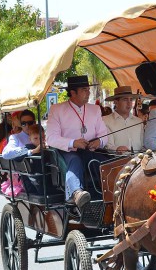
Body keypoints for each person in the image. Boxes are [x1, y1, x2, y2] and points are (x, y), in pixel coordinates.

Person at [46, 75, 109, 210]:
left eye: (88, 89)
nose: (88, 93)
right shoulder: (57, 109)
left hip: (90, 151)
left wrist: (99, 141)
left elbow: (104, 135)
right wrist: (73, 143)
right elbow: (51, 138)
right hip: (67, 152)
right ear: (73, 92)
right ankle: (76, 193)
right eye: (84, 90)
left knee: (106, 161)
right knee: (75, 160)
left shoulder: (95, 109)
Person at [103, 86, 144, 152]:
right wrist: (117, 149)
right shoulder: (106, 121)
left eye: (131, 100)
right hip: (117, 161)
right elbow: (107, 146)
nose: (129, 103)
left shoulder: (138, 121)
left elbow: (142, 145)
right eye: (125, 99)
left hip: (138, 160)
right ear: (116, 102)